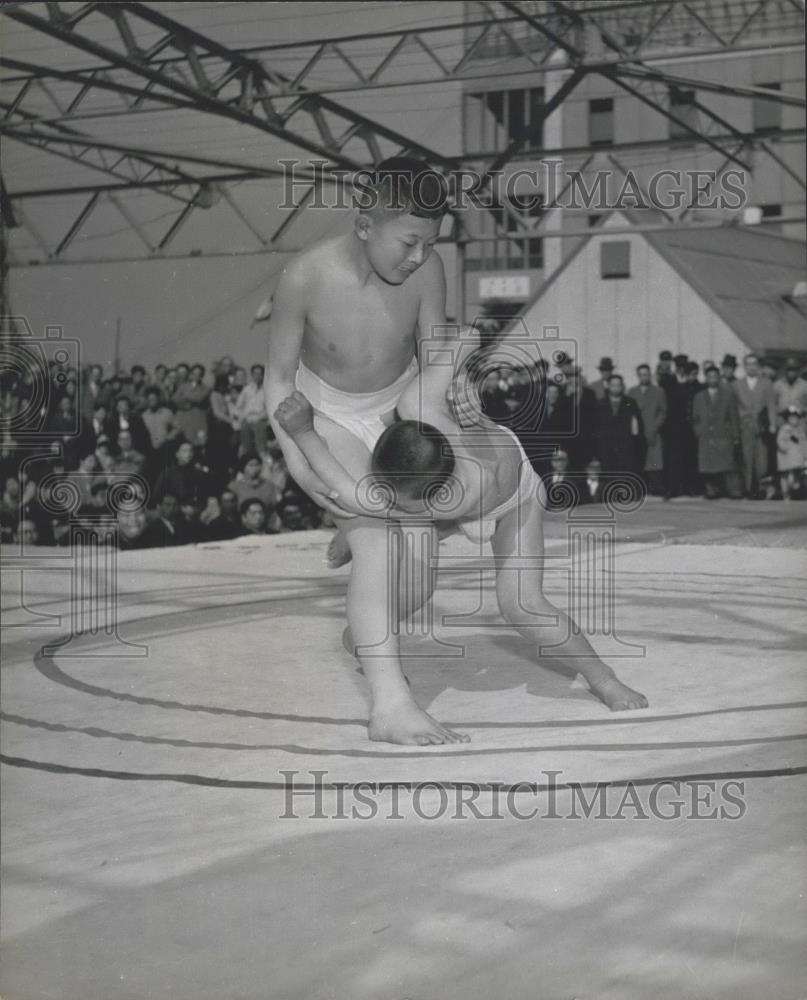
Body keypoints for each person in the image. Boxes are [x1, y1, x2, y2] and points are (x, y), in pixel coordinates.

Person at [275, 361, 648, 746]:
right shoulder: (424, 424)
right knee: (413, 585)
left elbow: (354, 494)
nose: (390, 505)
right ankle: (364, 638)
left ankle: (603, 678)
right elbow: (354, 491)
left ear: (434, 496)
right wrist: (464, 384)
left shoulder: (455, 478)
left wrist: (304, 432)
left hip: (516, 497)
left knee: (524, 605)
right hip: (454, 495)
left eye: (399, 504)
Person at [692, 365, 741, 499]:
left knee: (727, 464)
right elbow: (695, 417)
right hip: (706, 436)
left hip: (723, 435)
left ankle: (733, 491)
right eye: (709, 376)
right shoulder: (699, 396)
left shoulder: (728, 395)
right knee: (708, 466)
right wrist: (698, 431)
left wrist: (735, 435)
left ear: (719, 378)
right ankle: (711, 490)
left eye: (715, 376)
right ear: (706, 378)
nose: (712, 379)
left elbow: (733, 416)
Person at [732, 353, 777, 498]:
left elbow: (771, 405)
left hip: (761, 426)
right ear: (745, 367)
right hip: (744, 426)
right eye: (748, 364)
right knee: (746, 458)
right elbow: (734, 408)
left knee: (761, 459)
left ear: (758, 366)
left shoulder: (766, 383)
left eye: (754, 364)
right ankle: (747, 488)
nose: (751, 367)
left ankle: (761, 488)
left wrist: (772, 424)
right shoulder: (737, 385)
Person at [594, 374, 644, 487]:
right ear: (608, 386)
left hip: (625, 445)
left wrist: (634, 443)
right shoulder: (600, 403)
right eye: (613, 385)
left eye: (618, 385)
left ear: (622, 386)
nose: (615, 387)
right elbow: (596, 427)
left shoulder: (631, 402)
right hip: (606, 445)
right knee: (608, 474)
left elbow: (636, 425)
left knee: (625, 474)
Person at [628, 364, 667, 495]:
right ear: (638, 376)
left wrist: (656, 426)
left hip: (653, 430)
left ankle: (655, 488)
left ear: (650, 375)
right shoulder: (632, 392)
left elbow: (663, 411)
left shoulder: (658, 391)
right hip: (637, 432)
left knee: (654, 461)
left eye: (646, 374)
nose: (644, 377)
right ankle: (640, 488)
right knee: (639, 460)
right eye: (641, 374)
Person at [777, 407, 807, 500]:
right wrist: (784, 447)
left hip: (797, 458)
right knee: (786, 477)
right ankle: (785, 494)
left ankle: (793, 489)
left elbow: (803, 442)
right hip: (786, 457)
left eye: (796, 418)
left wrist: (805, 454)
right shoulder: (785, 429)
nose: (794, 420)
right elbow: (779, 440)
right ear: (787, 419)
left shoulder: (800, 430)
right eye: (791, 418)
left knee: (796, 476)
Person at [773, 358, 807, 427]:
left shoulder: (805, 385)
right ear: (785, 370)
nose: (791, 372)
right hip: (781, 421)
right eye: (789, 369)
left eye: (794, 369)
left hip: (799, 422)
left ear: (798, 370)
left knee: (797, 438)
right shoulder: (777, 385)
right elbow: (772, 404)